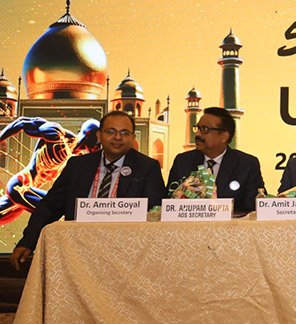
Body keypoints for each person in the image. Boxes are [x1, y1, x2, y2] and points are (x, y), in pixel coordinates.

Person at [10, 111, 165, 270]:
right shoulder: (77, 165)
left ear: (133, 138)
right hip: (77, 251)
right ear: (99, 136)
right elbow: (49, 206)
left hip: (125, 255)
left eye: (125, 133)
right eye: (111, 132)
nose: (118, 137)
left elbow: (155, 214)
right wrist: (28, 241)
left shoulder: (147, 168)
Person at [167, 107, 264, 214]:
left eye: (204, 129)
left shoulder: (246, 165)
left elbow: (255, 209)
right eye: (197, 128)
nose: (198, 134)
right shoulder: (183, 162)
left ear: (224, 136)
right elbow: (168, 203)